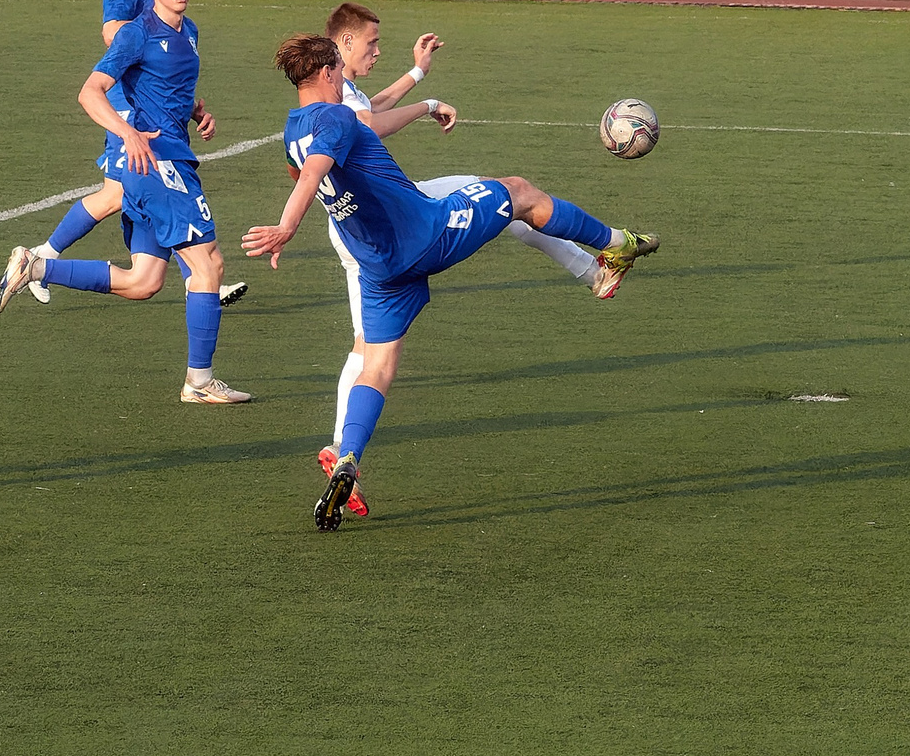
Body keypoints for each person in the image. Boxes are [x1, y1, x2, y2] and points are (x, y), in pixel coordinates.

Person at [245, 34, 660, 531]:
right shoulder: (334, 117)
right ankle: (615, 243)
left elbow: (311, 175)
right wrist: (286, 228)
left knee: (376, 364)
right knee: (521, 193)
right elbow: (314, 174)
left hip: (378, 267)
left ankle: (349, 457)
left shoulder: (293, 129)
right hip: (427, 234)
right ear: (330, 72)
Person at [306, 1, 602, 521]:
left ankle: (592, 270)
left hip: (380, 216)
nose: (377, 51)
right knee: (510, 200)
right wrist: (424, 107)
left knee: (508, 203)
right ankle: (595, 268)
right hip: (383, 226)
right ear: (343, 45)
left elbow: (368, 107)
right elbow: (369, 126)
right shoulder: (337, 94)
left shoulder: (335, 89)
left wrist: (418, 76)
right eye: (372, 44)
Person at [0, 0, 250, 405]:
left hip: (169, 154)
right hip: (156, 163)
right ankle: (199, 382)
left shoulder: (189, 30)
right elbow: (91, 92)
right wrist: (127, 133)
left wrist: (195, 112)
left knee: (144, 281)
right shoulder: (136, 32)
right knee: (208, 264)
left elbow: (164, 84)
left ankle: (36, 266)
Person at [18, 0, 244, 309]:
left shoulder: (182, 20)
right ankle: (200, 276)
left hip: (152, 101)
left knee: (125, 203)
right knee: (123, 191)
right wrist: (143, 42)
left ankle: (42, 261)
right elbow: (111, 34)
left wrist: (188, 104)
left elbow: (170, 67)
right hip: (124, 101)